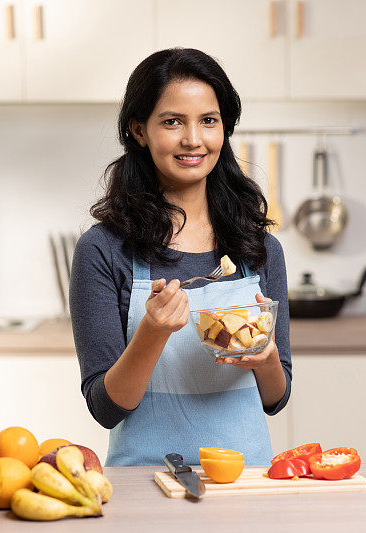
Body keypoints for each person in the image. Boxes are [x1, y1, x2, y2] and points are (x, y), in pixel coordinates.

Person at [69, 48, 292, 467]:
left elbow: (276, 398)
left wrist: (265, 360)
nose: (194, 139)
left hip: (246, 485)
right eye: (173, 121)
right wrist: (152, 332)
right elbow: (106, 408)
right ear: (139, 130)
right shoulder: (103, 250)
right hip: (146, 487)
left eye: (208, 120)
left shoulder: (259, 249)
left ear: (225, 128)